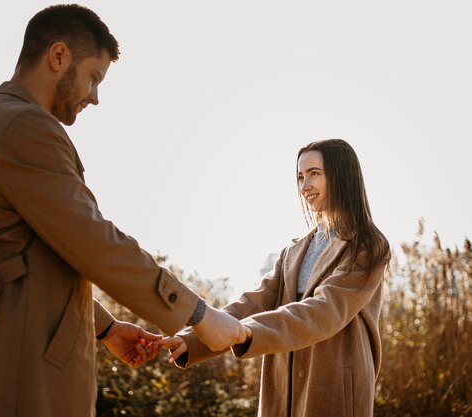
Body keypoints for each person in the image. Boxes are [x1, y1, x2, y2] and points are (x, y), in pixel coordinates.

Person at [0, 4, 247, 417]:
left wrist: (107, 328)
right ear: (59, 57)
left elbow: (21, 259)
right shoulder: (23, 127)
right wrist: (199, 314)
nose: (95, 97)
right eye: (93, 78)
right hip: (17, 371)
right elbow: (93, 241)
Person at [155, 139, 390, 417]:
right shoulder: (293, 251)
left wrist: (248, 331)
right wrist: (192, 338)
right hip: (283, 390)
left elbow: (325, 311)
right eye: (300, 177)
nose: (304, 187)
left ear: (341, 175)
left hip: (334, 390)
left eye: (314, 174)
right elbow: (252, 304)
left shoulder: (367, 245)